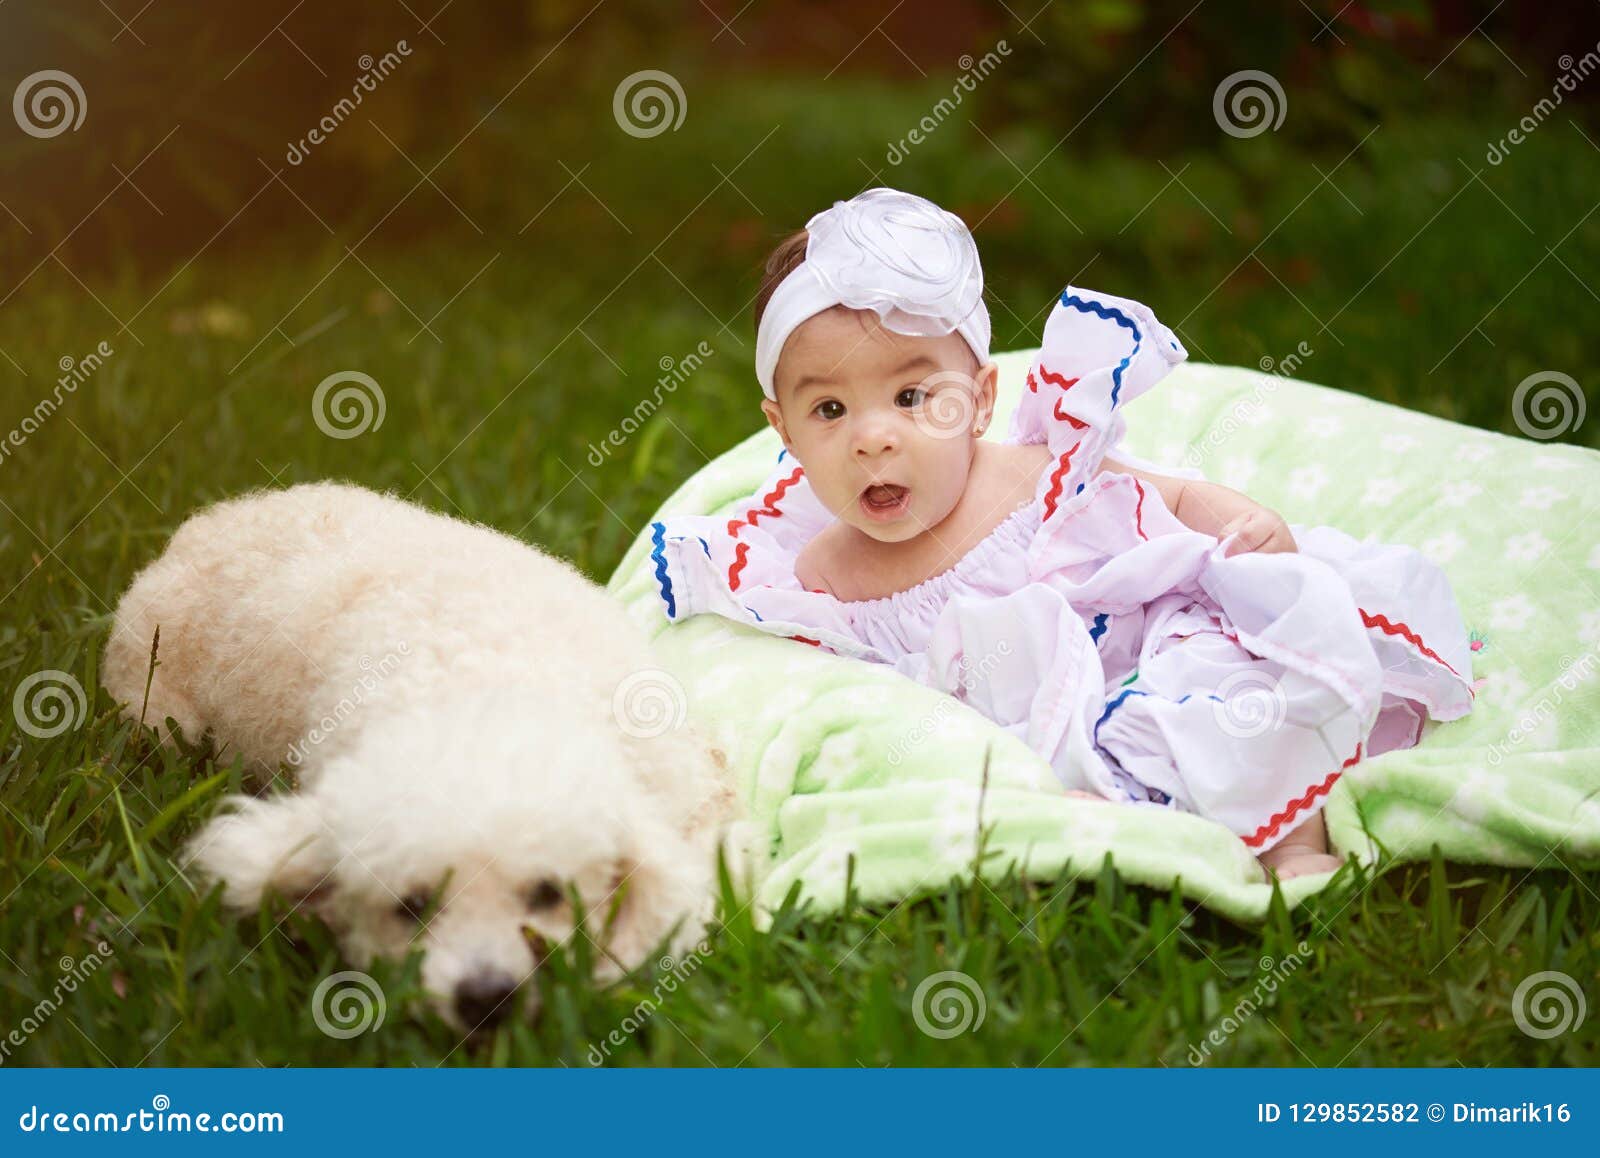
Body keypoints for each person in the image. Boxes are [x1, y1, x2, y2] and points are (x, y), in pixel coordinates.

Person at [647, 187, 1475, 881]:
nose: (873, 437)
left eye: (910, 398)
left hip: (1151, 652)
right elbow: (853, 701)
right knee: (1027, 776)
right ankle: (1124, 825)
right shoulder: (821, 575)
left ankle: (1294, 841)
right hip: (1039, 731)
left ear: (977, 399)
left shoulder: (1036, 471)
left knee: (1230, 682)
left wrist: (1235, 519)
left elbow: (1166, 495)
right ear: (781, 431)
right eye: (829, 409)